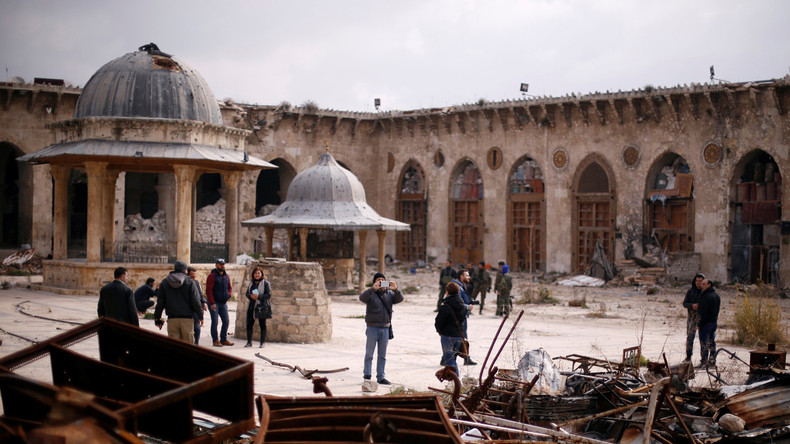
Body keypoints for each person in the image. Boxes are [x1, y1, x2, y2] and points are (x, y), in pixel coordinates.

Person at [359, 272, 403, 385]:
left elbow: (400, 299)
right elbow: (361, 298)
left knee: (382, 355)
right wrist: (372, 289)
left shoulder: (389, 294)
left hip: (385, 328)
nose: (380, 282)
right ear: (374, 282)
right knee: (369, 353)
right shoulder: (371, 294)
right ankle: (367, 375)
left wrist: (395, 289)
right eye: (378, 280)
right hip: (372, 327)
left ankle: (381, 377)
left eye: (382, 280)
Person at [154, 260, 203, 343]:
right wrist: (200, 316)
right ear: (185, 270)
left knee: (174, 347)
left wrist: (157, 318)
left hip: (172, 319)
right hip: (187, 319)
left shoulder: (165, 282)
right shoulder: (190, 282)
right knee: (188, 346)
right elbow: (196, 301)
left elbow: (160, 303)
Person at [435, 281, 468, 375]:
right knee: (453, 359)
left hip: (447, 336)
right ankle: (456, 381)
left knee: (449, 360)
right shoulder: (463, 306)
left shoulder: (446, 306)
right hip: (458, 336)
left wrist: (439, 331)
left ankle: (455, 381)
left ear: (447, 292)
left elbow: (438, 322)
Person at [452, 269, 478, 365]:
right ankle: (463, 358)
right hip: (459, 317)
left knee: (460, 338)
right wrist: (467, 307)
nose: (469, 277)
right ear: (461, 277)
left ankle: (465, 358)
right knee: (460, 338)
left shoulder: (462, 286)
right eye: (467, 275)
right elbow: (456, 301)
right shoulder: (458, 287)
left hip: (462, 316)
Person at [206, 258, 234, 347]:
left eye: (223, 264)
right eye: (220, 264)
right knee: (215, 322)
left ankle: (223, 339)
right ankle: (215, 340)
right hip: (214, 303)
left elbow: (229, 287)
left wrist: (229, 295)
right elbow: (208, 290)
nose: (222, 266)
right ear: (216, 265)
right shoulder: (212, 276)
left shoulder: (226, 276)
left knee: (226, 321)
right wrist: (212, 302)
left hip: (223, 303)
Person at [245, 266, 272, 348]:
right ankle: (249, 342)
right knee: (249, 324)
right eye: (255, 273)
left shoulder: (265, 283)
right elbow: (247, 293)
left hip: (261, 306)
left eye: (258, 273)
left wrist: (259, 296)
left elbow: (268, 295)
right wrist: (250, 296)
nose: (257, 275)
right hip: (252, 306)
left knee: (262, 324)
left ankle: (262, 343)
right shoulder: (251, 283)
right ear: (253, 274)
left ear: (261, 274)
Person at [682, 273, 705, 363]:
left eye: (700, 281)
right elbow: (685, 303)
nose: (698, 283)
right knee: (690, 337)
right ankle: (688, 357)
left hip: (703, 319)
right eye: (697, 281)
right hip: (692, 318)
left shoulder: (705, 292)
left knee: (704, 339)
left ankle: (704, 359)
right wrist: (692, 305)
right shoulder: (691, 291)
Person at [698, 278, 720, 367]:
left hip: (705, 324)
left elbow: (703, 312)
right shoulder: (716, 295)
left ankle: (704, 361)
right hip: (713, 322)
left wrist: (699, 323)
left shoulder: (706, 296)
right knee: (712, 342)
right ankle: (712, 361)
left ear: (709, 285)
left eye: (703, 284)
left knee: (704, 343)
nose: (701, 285)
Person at [187, 266, 208, 345]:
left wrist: (204, 302)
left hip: (196, 310)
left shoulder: (196, 283)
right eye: (192, 277)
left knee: (197, 329)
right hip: (187, 310)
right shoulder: (184, 284)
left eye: (194, 277)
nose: (193, 279)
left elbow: (200, 295)